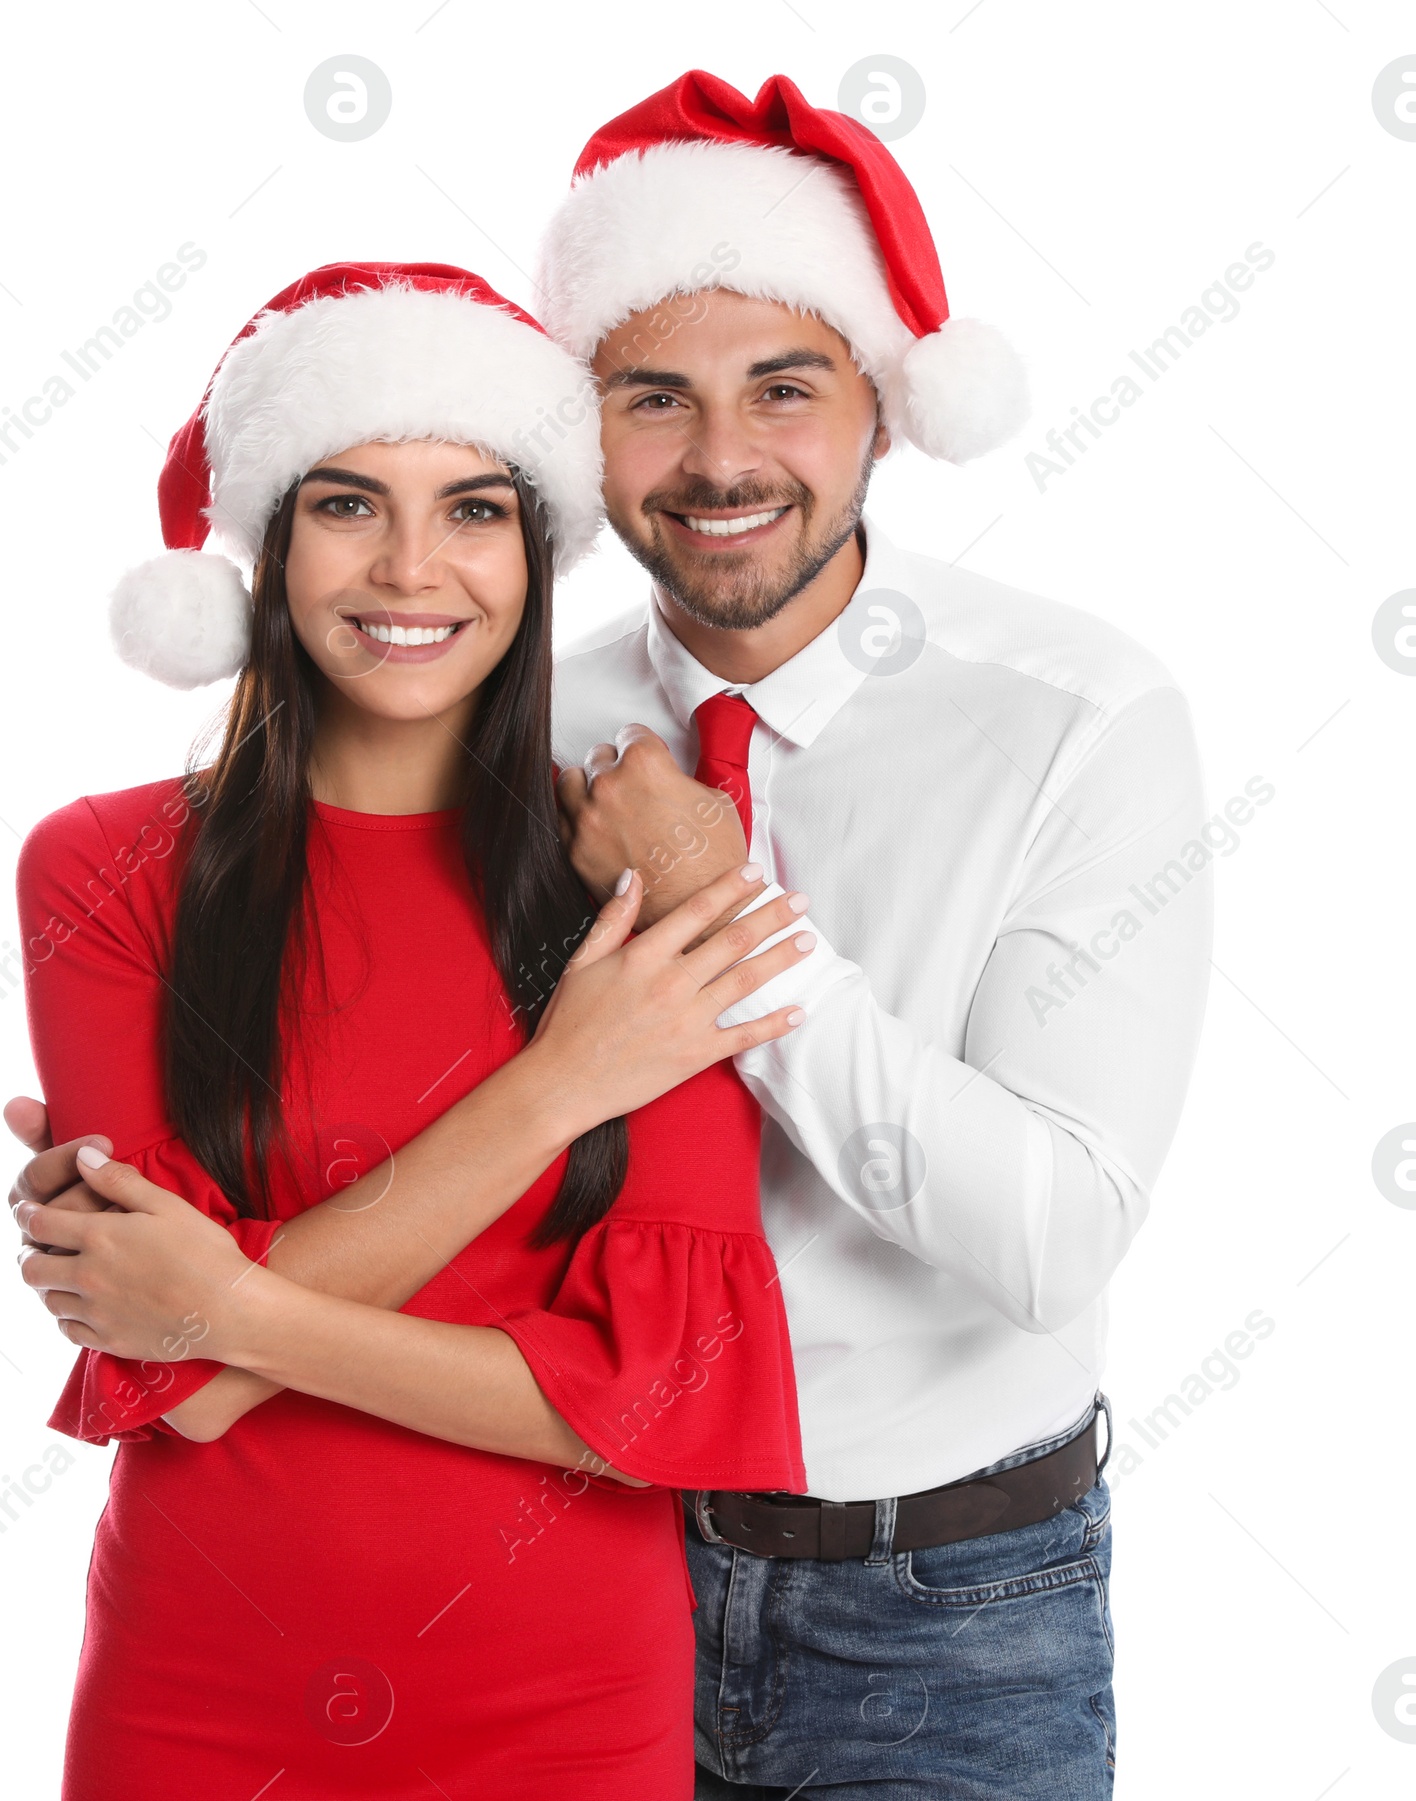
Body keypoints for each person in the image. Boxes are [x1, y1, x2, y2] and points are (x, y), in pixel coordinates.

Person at [8, 260, 814, 1799]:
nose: (408, 569)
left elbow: (647, 1399)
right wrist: (557, 1085)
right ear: (267, 546)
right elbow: (165, 1374)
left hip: (565, 1705)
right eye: (345, 504)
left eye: (472, 509)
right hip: (197, 1688)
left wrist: (232, 1306)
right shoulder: (103, 870)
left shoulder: (628, 884)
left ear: (537, 548)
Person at [537, 73, 1214, 1797]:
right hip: (579, 1565)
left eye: (785, 388)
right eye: (654, 400)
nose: (720, 461)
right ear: (584, 431)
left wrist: (712, 902)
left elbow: (1053, 1234)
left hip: (954, 1613)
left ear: (884, 413)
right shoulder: (521, 721)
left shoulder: (1078, 716)